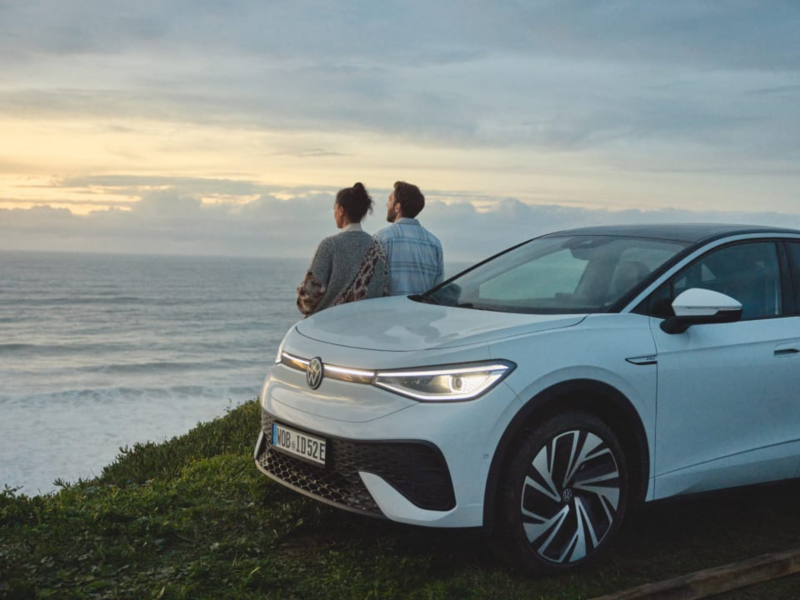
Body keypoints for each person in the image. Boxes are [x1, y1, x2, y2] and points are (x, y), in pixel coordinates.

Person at [296, 183, 388, 317]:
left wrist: (301, 299)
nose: (334, 214)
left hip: (328, 327)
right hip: (364, 327)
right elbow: (383, 291)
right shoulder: (377, 247)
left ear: (341, 210)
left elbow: (309, 296)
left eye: (334, 209)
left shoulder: (329, 245)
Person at [374, 181, 444, 296]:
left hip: (389, 312)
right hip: (423, 312)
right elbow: (437, 289)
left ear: (397, 207)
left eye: (390, 200)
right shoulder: (434, 243)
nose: (387, 205)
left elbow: (374, 285)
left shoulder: (382, 238)